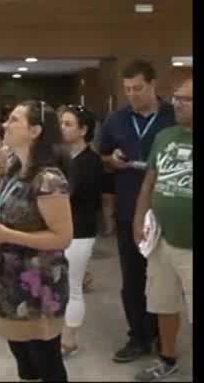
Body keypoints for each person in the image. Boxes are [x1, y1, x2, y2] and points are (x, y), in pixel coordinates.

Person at [0, 100, 73, 382]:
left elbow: (62, 237)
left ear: (35, 131)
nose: (6, 124)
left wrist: (6, 235)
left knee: (47, 363)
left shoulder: (49, 179)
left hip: (39, 285)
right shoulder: (16, 169)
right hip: (11, 278)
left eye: (14, 120)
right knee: (24, 361)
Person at [99, 59, 175, 362]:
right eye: (128, 89)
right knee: (133, 279)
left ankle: (163, 338)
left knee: (166, 279)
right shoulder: (116, 119)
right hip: (130, 210)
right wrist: (110, 159)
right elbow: (102, 154)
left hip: (168, 211)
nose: (132, 94)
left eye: (138, 88)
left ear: (154, 85)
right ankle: (138, 338)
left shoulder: (173, 116)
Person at [132, 78, 193, 381]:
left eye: (187, 99)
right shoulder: (165, 136)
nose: (178, 103)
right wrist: (139, 217)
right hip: (161, 241)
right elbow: (149, 181)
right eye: (177, 97)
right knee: (163, 303)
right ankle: (167, 358)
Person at [58, 105, 104, 357]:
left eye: (68, 124)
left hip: (80, 232)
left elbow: (74, 197)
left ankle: (70, 339)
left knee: (73, 286)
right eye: (61, 123)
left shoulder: (90, 161)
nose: (62, 128)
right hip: (62, 229)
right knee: (61, 284)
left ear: (83, 130)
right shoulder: (65, 158)